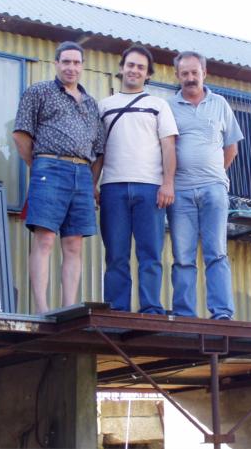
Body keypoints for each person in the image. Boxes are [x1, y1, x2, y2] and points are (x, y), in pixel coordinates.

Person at [13, 41, 104, 313]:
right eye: (66, 62)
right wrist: (39, 165)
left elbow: (99, 150)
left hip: (83, 173)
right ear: (56, 63)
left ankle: (68, 309)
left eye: (76, 62)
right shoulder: (39, 91)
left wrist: (92, 182)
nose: (71, 67)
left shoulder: (91, 104)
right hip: (49, 167)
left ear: (82, 66)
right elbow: (20, 134)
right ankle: (42, 309)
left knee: (74, 244)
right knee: (45, 239)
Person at [93, 45, 177, 314]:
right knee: (115, 254)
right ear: (121, 68)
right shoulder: (104, 106)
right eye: (130, 65)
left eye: (141, 67)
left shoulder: (158, 105)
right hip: (112, 187)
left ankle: (150, 308)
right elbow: (98, 150)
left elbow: (168, 147)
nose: (134, 70)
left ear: (148, 74)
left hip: (150, 187)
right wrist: (92, 184)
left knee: (150, 253)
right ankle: (118, 309)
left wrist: (168, 183)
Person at [167, 51, 244, 320]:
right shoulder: (168, 107)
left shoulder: (220, 104)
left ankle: (222, 313)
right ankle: (184, 315)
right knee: (183, 256)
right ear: (177, 75)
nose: (190, 78)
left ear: (204, 73)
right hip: (180, 192)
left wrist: (214, 174)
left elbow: (231, 147)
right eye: (184, 73)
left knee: (217, 253)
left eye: (194, 73)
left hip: (214, 189)